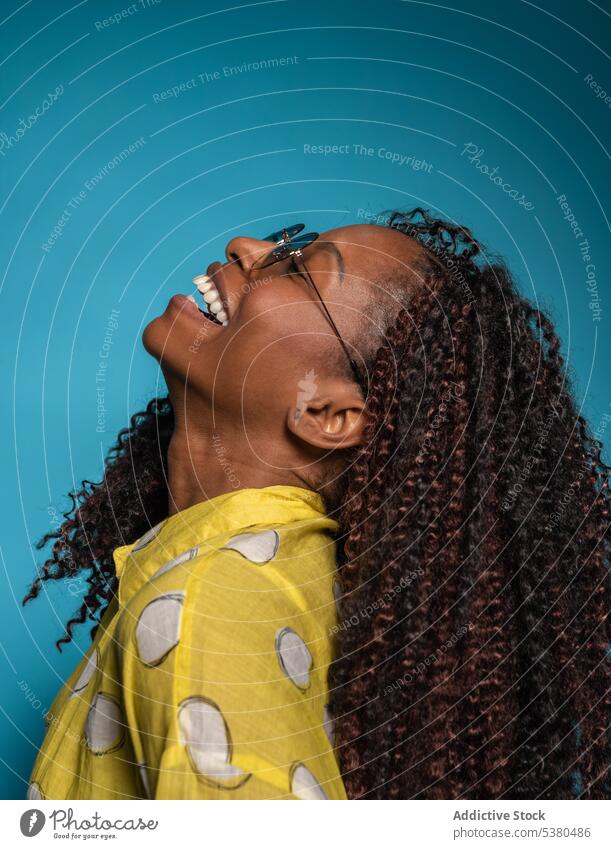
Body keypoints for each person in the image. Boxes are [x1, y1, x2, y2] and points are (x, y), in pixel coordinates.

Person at [24, 209, 609, 800]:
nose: (246, 245)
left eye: (301, 269)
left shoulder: (211, 600)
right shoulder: (261, 586)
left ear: (329, 415)